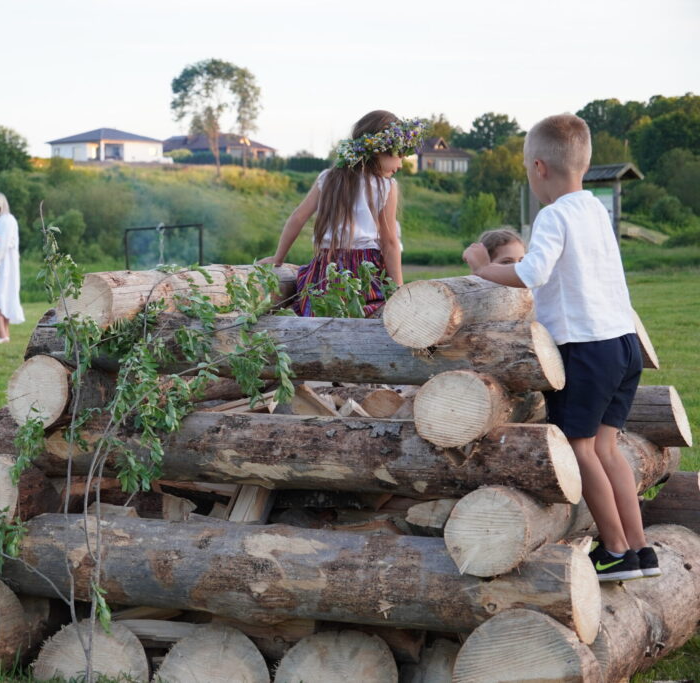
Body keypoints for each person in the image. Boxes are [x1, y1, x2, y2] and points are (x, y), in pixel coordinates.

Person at [462, 113, 654, 582]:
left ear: (540, 168)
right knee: (608, 450)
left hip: (586, 349)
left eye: (529, 171)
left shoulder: (554, 214)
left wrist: (483, 269)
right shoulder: (595, 211)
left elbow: (531, 273)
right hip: (622, 344)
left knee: (580, 449)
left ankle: (613, 552)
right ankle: (640, 549)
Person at [259, 111, 425, 317]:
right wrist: (399, 291)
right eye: (398, 155)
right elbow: (389, 242)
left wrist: (278, 257)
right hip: (365, 274)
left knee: (319, 310)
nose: (400, 164)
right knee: (363, 313)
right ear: (377, 151)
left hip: (326, 271)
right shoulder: (385, 186)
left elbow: (297, 218)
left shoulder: (328, 178)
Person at [0, 192, 25, 342]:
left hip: (4, 264)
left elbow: (2, 245)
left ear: (2, 204)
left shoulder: (7, 220)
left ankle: (3, 334)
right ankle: (4, 334)